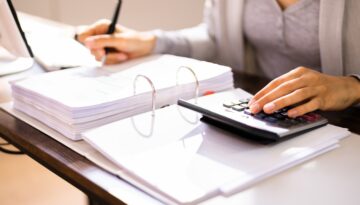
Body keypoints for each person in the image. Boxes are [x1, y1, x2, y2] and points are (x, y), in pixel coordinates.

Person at [77, 0, 360, 118]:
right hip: (263, 116)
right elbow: (215, 37)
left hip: (346, 124)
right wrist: (151, 41)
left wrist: (352, 87)